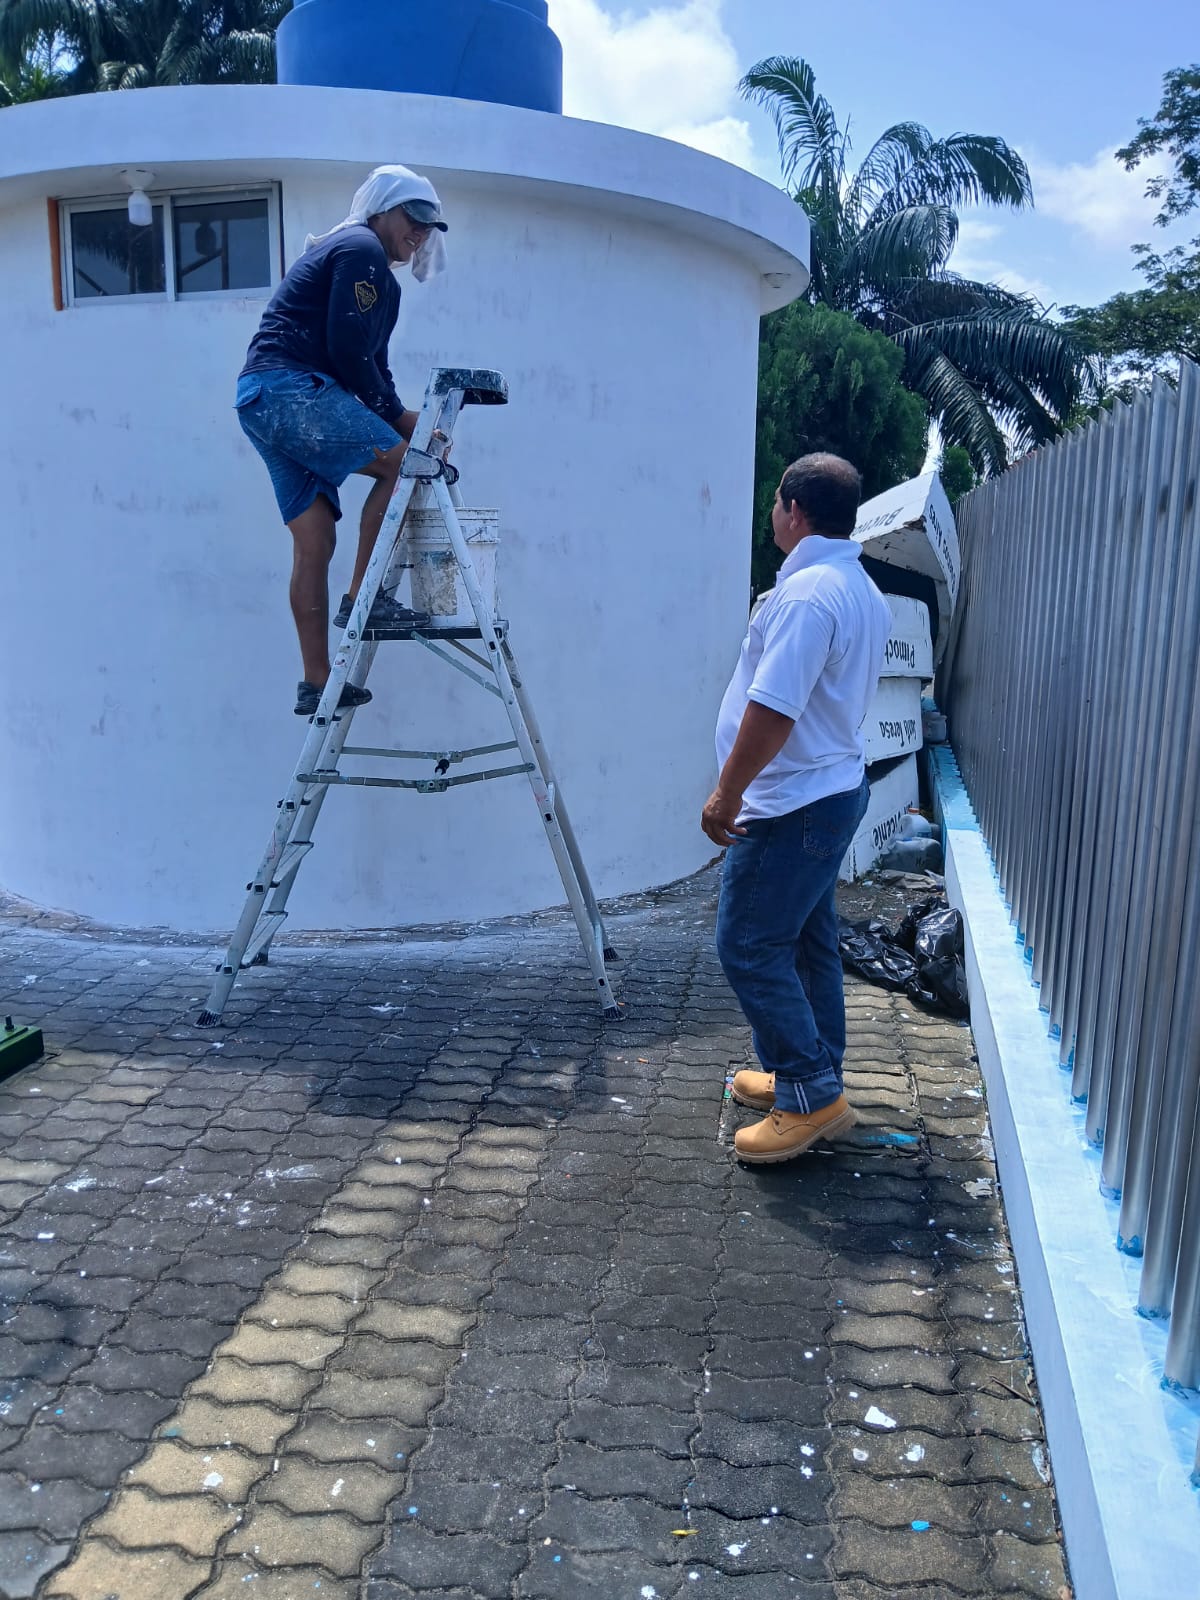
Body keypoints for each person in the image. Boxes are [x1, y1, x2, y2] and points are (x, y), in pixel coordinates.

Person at [702, 453, 892, 1164]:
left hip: (792, 802)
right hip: (827, 791)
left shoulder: (810, 594)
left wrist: (727, 793)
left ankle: (809, 1096)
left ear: (794, 509)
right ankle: (810, 1073)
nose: (771, 514)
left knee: (750, 945)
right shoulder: (857, 587)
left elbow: (774, 709)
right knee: (808, 942)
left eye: (776, 502)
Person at [235, 165, 449, 717]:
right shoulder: (361, 249)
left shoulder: (378, 279)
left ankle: (315, 681)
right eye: (412, 217)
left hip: (260, 398)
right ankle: (364, 599)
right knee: (405, 468)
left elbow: (375, 367)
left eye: (429, 225)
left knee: (315, 541)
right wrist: (403, 426)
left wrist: (406, 420)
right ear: (381, 210)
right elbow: (347, 349)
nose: (420, 232)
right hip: (290, 389)